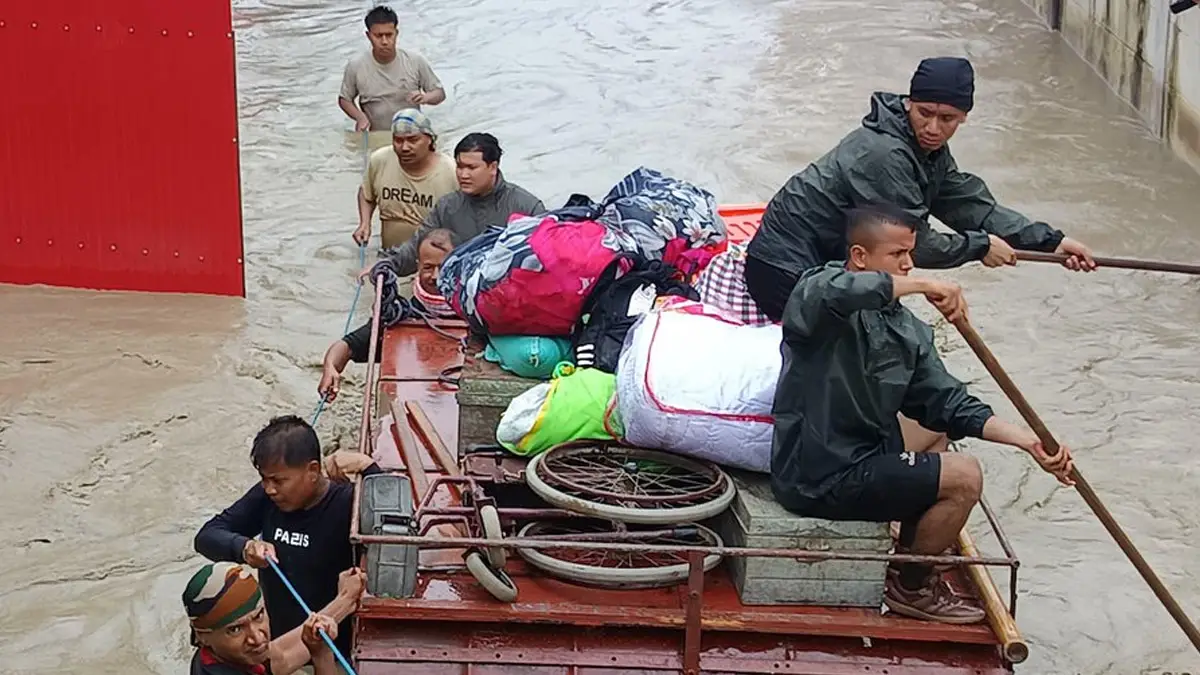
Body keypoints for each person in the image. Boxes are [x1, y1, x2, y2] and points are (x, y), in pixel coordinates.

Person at [771, 204, 1075, 624]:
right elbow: (839, 291)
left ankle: (911, 544)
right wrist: (925, 284)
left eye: (910, 254)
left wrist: (1026, 441)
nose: (909, 264)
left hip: (867, 455)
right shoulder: (818, 296)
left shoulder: (907, 330)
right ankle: (911, 587)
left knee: (936, 431)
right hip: (818, 473)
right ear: (860, 257)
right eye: (898, 256)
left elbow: (948, 402)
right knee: (965, 474)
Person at [743, 56, 1097, 322]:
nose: (932, 127)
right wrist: (980, 246)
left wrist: (1052, 242)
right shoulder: (884, 153)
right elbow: (913, 246)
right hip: (783, 270)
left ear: (964, 117)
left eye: (947, 119)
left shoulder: (928, 151)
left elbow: (970, 206)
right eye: (924, 112)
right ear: (909, 103)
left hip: (829, 263)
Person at [194, 416, 383, 658]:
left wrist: (370, 469)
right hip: (275, 645)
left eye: (279, 480)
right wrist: (245, 547)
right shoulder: (267, 498)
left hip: (331, 646)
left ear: (313, 470)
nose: (270, 488)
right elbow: (207, 536)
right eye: (264, 479)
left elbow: (395, 536)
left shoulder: (349, 502)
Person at [319, 228, 460, 401]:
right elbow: (346, 346)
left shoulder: (477, 315)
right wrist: (330, 368)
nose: (436, 276)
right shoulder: (401, 315)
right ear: (418, 266)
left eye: (444, 267)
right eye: (428, 268)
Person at [379, 132, 545, 277]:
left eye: (471, 168)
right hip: (456, 295)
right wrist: (387, 264)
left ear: (493, 167)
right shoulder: (446, 207)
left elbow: (547, 259)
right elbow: (416, 247)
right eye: (459, 167)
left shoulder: (527, 207)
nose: (463, 175)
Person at [184, 561, 365, 675]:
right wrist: (322, 655)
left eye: (259, 616)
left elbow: (281, 657)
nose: (257, 637)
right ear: (202, 636)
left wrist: (345, 601)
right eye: (235, 629)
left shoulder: (222, 653)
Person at [353, 109, 457, 251]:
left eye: (413, 140)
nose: (405, 147)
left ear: (430, 139)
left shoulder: (451, 171)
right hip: (390, 255)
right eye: (398, 140)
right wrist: (365, 223)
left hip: (429, 263)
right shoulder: (380, 160)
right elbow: (366, 194)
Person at [337, 5, 445, 136]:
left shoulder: (414, 61)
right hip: (375, 136)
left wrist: (425, 97)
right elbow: (344, 99)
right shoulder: (356, 66)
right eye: (378, 36)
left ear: (396, 33)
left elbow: (439, 93)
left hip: (411, 136)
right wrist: (360, 117)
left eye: (389, 35)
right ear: (368, 36)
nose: (384, 41)